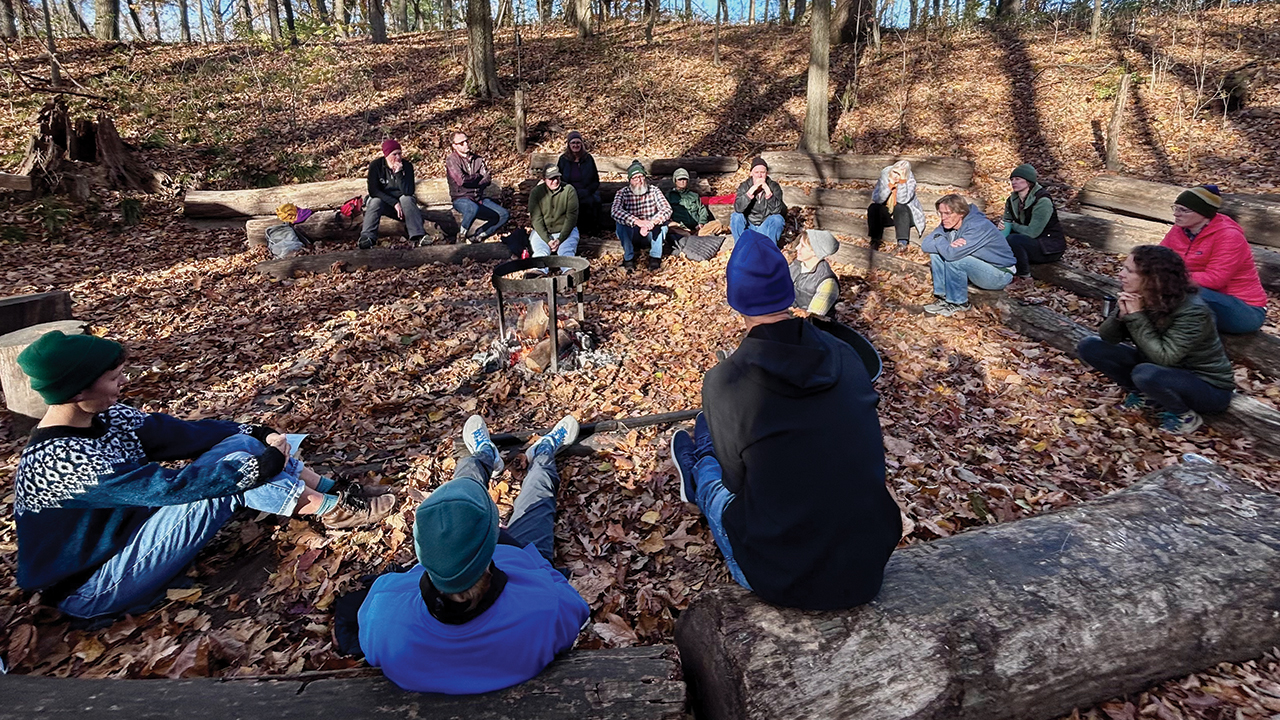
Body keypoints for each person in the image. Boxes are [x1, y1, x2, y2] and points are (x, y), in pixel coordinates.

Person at [12, 331, 396, 622]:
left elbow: (185, 434)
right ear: (79, 390)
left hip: (127, 542)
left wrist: (253, 432)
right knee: (222, 484)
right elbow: (170, 488)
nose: (123, 384)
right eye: (114, 379)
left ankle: (329, 493)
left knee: (237, 450)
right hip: (92, 586)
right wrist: (260, 467)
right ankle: (330, 509)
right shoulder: (61, 461)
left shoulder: (107, 418)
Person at [669, 229, 901, 611]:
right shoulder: (844, 354)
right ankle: (705, 436)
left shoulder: (726, 380)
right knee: (724, 430)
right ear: (789, 290)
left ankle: (697, 469)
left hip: (783, 577)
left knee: (713, 476)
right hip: (868, 562)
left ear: (734, 299)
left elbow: (737, 484)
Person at [349, 414, 590, 694]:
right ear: (492, 541)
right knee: (537, 501)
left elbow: (374, 645)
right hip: (522, 554)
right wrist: (525, 557)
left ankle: (484, 457)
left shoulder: (384, 611)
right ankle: (544, 453)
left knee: (457, 504)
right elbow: (575, 609)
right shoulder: (543, 604)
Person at [1076, 245, 1234, 434]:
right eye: (1123, 268)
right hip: (1160, 367)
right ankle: (1144, 395)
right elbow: (1108, 337)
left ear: (1153, 278)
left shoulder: (1193, 311)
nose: (1120, 274)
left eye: (1129, 271)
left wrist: (1136, 316)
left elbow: (1165, 358)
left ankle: (1185, 416)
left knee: (1145, 373)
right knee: (1091, 346)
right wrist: (1120, 316)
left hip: (1207, 386)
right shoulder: (1142, 296)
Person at [1159, 184, 1267, 334]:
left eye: (1183, 210)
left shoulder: (1228, 236)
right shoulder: (1179, 229)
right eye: (1175, 208)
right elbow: (1158, 258)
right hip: (1197, 297)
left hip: (1245, 310)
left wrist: (1171, 278)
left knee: (1182, 291)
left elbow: (1215, 279)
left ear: (1203, 213)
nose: (1176, 214)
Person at [920, 194, 1016, 316]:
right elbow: (925, 245)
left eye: (948, 213)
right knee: (936, 254)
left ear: (961, 213)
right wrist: (942, 239)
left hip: (999, 273)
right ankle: (943, 298)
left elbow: (951, 255)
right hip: (977, 267)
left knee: (956, 260)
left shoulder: (978, 226)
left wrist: (940, 241)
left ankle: (959, 304)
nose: (944, 218)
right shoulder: (948, 223)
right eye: (941, 213)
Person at [997, 164, 1065, 277]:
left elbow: (1032, 232)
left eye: (1018, 179)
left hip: (1048, 248)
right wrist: (1002, 227)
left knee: (1014, 239)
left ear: (1029, 181)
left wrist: (1012, 225)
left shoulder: (1042, 201)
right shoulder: (1011, 200)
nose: (1014, 182)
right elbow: (1007, 221)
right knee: (1002, 239)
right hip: (1028, 242)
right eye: (1012, 179)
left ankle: (1023, 276)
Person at [362, 139, 427, 249]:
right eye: (394, 154)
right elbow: (374, 191)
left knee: (407, 199)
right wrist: (394, 203)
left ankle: (418, 236)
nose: (398, 157)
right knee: (375, 201)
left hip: (403, 205)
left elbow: (408, 191)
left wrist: (399, 174)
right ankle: (367, 238)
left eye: (399, 153)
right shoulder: (376, 166)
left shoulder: (407, 166)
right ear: (386, 155)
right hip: (384, 202)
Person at [446, 131, 510, 243]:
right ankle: (461, 236)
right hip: (461, 198)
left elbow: (487, 179)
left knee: (503, 214)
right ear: (454, 146)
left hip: (479, 198)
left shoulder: (478, 159)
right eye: (461, 143)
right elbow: (461, 181)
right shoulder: (452, 160)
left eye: (467, 141)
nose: (466, 144)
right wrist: (477, 177)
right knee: (472, 208)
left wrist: (474, 180)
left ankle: (479, 235)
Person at [611, 160, 673, 272]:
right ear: (630, 180)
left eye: (641, 177)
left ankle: (655, 258)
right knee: (620, 224)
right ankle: (628, 258)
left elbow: (667, 209)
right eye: (635, 178)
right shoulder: (622, 193)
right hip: (632, 232)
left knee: (663, 224)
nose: (639, 180)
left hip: (650, 231)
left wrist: (652, 222)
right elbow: (615, 211)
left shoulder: (654, 190)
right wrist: (637, 221)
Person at [667, 167, 728, 262]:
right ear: (675, 180)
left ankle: (699, 236)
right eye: (680, 179)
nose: (682, 182)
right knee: (673, 229)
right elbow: (667, 214)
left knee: (717, 224)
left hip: (697, 229)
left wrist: (701, 222)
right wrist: (681, 226)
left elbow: (702, 210)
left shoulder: (694, 196)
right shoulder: (669, 196)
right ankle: (695, 238)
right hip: (681, 230)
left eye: (685, 179)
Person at [867, 160, 926, 252]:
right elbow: (877, 199)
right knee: (874, 207)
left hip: (906, 217)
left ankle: (902, 242)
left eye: (899, 174)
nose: (895, 176)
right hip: (889, 215)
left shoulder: (910, 182)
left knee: (900, 207)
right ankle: (875, 240)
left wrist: (902, 183)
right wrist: (890, 186)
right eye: (894, 172)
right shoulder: (884, 178)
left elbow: (902, 200)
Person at [528, 165, 580, 265]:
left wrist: (560, 239)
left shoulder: (569, 190)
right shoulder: (536, 193)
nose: (555, 181)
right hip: (543, 232)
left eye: (557, 178)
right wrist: (547, 240)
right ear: (544, 179)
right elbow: (536, 219)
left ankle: (569, 274)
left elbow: (571, 218)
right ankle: (538, 274)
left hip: (565, 231)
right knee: (540, 253)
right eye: (551, 179)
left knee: (567, 253)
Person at [730, 158, 786, 244]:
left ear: (766, 174)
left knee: (778, 219)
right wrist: (751, 191)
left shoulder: (774, 186)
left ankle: (768, 250)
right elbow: (738, 208)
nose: (759, 175)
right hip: (749, 226)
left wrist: (767, 191)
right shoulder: (744, 186)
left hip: (765, 227)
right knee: (736, 216)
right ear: (751, 173)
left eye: (762, 172)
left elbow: (777, 210)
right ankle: (741, 248)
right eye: (756, 172)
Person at [790, 229, 841, 319]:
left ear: (815, 252)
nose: (797, 248)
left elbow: (812, 318)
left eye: (802, 246)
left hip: (808, 328)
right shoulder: (796, 264)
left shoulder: (827, 282)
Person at [557, 131, 601, 232]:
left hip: (586, 191)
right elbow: (559, 179)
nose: (575, 145)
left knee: (591, 202)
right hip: (568, 191)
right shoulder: (563, 160)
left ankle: (591, 231)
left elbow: (595, 180)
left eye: (578, 143)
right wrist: (568, 191)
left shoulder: (588, 159)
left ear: (581, 144)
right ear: (569, 145)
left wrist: (587, 191)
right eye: (573, 143)